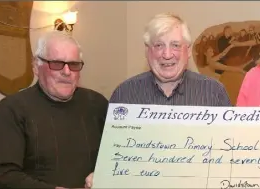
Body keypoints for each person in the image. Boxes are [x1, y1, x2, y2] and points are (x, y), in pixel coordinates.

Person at [83, 13, 232, 188]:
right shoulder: (124, 95)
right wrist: (100, 175)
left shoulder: (214, 93)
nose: (167, 54)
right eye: (159, 45)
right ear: (147, 51)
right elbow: (110, 155)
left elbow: (229, 155)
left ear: (188, 50)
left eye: (175, 45)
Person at [0, 31, 109, 189]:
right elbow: (5, 176)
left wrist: (102, 174)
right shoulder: (12, 109)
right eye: (57, 63)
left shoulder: (97, 104)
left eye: (73, 64)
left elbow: (115, 155)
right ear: (36, 67)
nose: (67, 72)